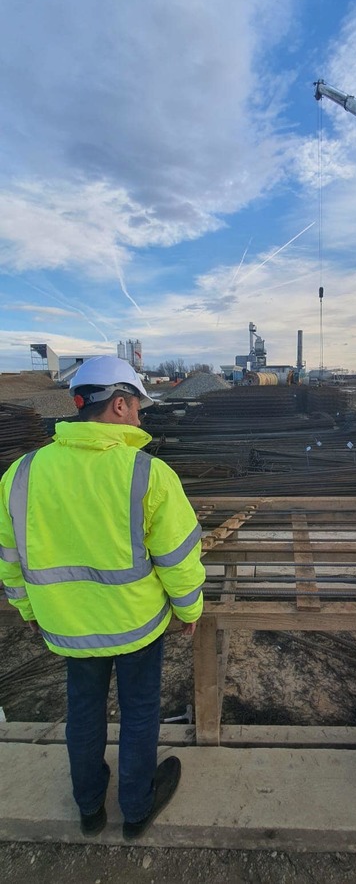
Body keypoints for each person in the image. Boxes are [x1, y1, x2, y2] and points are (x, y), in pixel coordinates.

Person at [0, 356, 205, 839]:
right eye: (137, 407)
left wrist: (29, 611)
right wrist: (189, 609)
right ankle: (136, 811)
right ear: (118, 404)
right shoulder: (147, 474)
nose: (140, 418)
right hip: (136, 626)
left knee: (84, 711)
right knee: (138, 714)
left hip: (68, 627)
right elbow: (178, 557)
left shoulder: (22, 473)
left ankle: (89, 807)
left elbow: (9, 559)